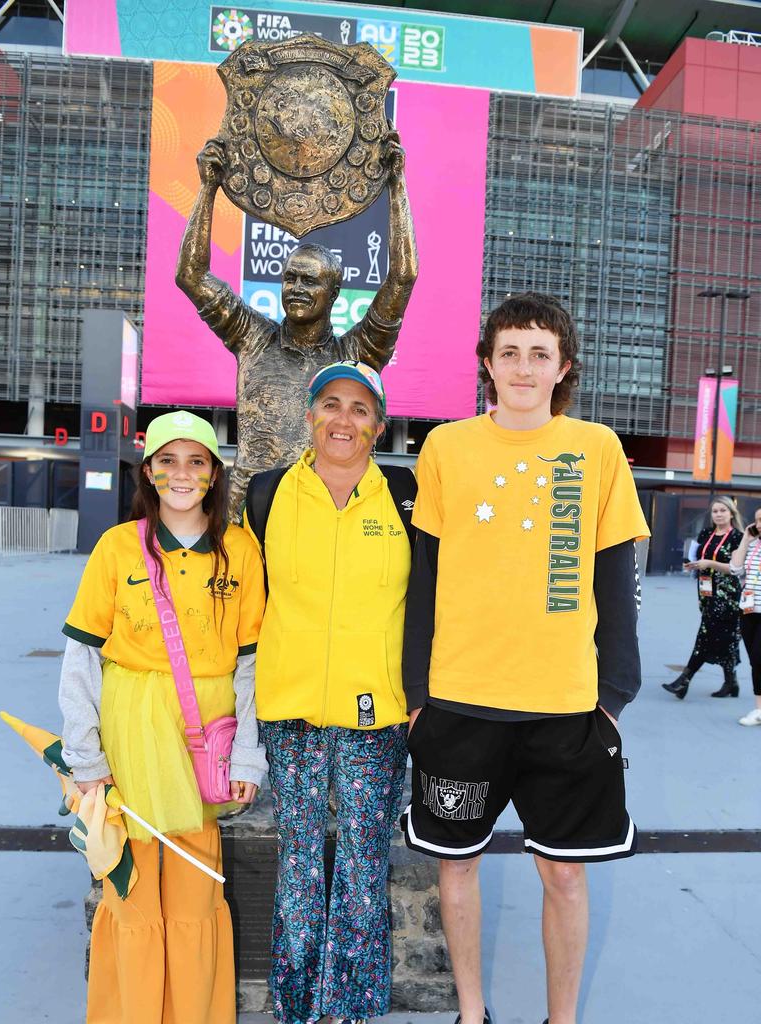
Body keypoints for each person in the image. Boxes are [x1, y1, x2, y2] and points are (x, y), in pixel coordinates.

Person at [400, 292, 649, 1024]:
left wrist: (615, 698)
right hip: (459, 705)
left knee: (566, 880)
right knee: (457, 872)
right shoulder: (446, 448)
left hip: (567, 712)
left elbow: (616, 583)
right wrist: (417, 695)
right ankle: (472, 1014)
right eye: (509, 351)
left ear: (563, 367)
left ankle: (560, 1019)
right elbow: (425, 579)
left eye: (539, 353)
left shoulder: (597, 449)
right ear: (487, 363)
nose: (523, 367)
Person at [59, 410, 267, 1024]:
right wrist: (85, 757)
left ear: (213, 473)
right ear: (148, 472)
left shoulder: (241, 551)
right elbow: (81, 658)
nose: (182, 474)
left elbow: (252, 665)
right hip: (129, 736)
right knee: (132, 891)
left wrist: (251, 754)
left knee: (195, 890)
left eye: (196, 461)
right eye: (168, 461)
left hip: (208, 742)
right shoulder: (117, 546)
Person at [244, 360, 415, 1024]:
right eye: (331, 404)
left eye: (360, 408)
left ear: (378, 424)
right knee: (300, 864)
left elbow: (432, 602)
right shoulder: (266, 494)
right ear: (309, 415)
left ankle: (351, 1010)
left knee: (363, 869)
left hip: (378, 714)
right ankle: (294, 1008)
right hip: (291, 712)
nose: (344, 419)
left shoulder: (406, 496)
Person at [176, 131, 418, 522]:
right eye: (290, 278)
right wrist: (208, 188)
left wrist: (397, 184)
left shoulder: (356, 355)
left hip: (327, 512)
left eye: (310, 281)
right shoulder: (252, 337)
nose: (297, 289)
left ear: (335, 291)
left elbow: (402, 278)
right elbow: (191, 275)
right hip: (246, 517)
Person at [663, 497, 743, 700]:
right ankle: (731, 682)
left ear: (731, 513)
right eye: (715, 511)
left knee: (705, 636)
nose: (718, 514)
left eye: (723, 510)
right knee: (726, 638)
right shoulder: (706, 533)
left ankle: (684, 681)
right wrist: (692, 564)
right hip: (706, 590)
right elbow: (696, 556)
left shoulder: (738, 537)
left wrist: (709, 563)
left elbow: (735, 569)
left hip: (727, 595)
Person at [730, 506, 761, 725]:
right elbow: (735, 569)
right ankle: (759, 709)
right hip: (749, 611)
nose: (759, 525)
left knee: (759, 658)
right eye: (757, 520)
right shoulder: (753, 546)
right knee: (755, 662)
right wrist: (745, 541)